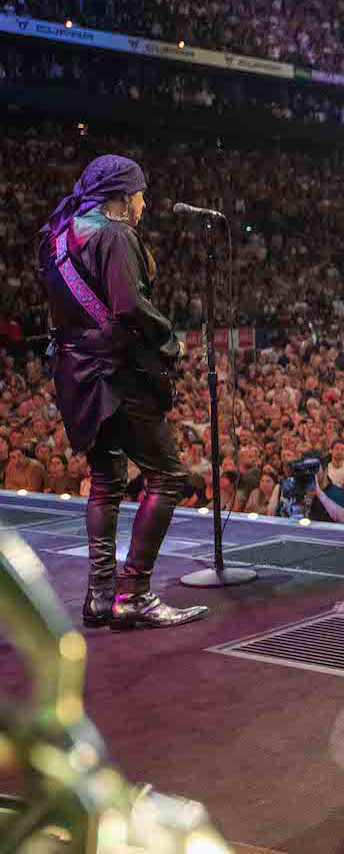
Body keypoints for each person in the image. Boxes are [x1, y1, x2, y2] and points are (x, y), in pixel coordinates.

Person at [34, 155, 207, 631]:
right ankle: (134, 593)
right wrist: (169, 337)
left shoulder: (61, 234)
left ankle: (99, 595)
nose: (144, 204)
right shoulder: (114, 234)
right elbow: (129, 305)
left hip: (76, 373)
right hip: (116, 375)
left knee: (107, 479)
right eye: (141, 195)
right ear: (121, 196)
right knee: (167, 476)